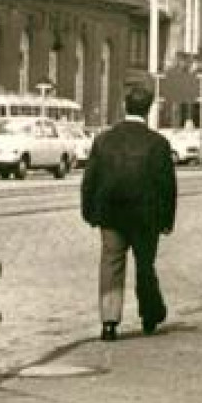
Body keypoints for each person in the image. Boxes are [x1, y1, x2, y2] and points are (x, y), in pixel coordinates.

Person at [80, 84, 177, 342]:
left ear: (125, 107)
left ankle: (109, 322)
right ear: (148, 109)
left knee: (111, 263)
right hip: (146, 216)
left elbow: (90, 180)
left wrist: (88, 211)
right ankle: (150, 313)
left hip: (110, 214)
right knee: (145, 265)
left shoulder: (103, 140)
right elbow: (167, 185)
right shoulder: (158, 143)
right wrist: (167, 219)